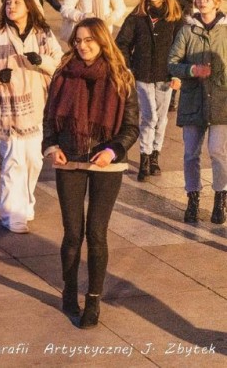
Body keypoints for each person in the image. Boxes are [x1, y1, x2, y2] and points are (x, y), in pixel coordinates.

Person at [44, 18, 138, 329]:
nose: (82, 46)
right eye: (78, 40)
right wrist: (51, 146)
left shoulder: (121, 77)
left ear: (102, 42)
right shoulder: (63, 72)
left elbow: (130, 127)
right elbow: (49, 120)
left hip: (106, 164)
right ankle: (69, 292)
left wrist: (112, 150)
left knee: (96, 233)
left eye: (89, 40)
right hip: (69, 160)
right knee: (72, 232)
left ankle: (93, 300)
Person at [0, 0, 62, 234]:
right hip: (7, 106)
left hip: (37, 106)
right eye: (8, 2)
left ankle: (26, 200)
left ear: (28, 6)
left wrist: (41, 61)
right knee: (13, 160)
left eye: (16, 2)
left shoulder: (43, 33)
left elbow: (58, 62)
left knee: (34, 160)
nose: (11, 6)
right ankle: (12, 214)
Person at [168, 0, 227, 225]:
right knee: (191, 153)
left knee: (217, 151)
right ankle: (193, 199)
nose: (202, 1)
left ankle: (220, 198)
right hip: (193, 100)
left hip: (221, 101)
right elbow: (172, 63)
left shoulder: (225, 32)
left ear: (216, 3)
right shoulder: (187, 31)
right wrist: (190, 70)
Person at [116, 0, 182, 182]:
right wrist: (129, 67)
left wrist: (178, 73)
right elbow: (122, 43)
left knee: (161, 118)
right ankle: (144, 157)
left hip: (165, 75)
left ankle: (155, 155)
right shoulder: (137, 16)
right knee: (149, 116)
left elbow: (182, 48)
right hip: (142, 74)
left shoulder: (174, 18)